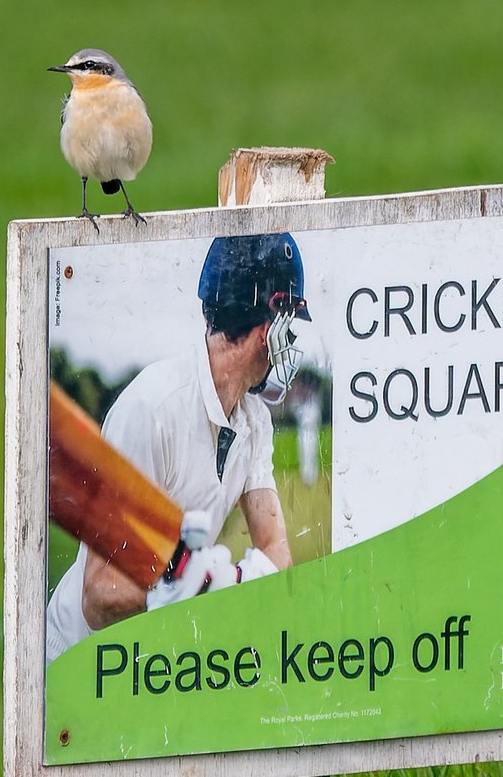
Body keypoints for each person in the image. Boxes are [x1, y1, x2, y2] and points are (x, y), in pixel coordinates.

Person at [46, 232, 313, 661]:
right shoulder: (153, 408)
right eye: (291, 322)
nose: (292, 340)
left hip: (158, 663)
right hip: (77, 662)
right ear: (269, 328)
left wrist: (234, 583)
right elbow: (97, 596)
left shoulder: (254, 419)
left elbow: (276, 550)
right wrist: (182, 588)